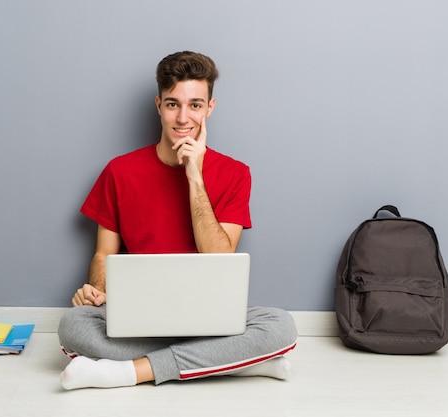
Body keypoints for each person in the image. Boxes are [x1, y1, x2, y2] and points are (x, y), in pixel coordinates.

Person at [58, 51, 298, 390]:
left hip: (208, 319)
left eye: (195, 105)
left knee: (280, 325)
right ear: (158, 105)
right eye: (173, 104)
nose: (183, 117)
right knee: (73, 324)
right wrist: (97, 291)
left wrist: (194, 175)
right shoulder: (119, 171)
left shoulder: (235, 173)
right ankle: (229, 362)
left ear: (210, 108)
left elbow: (218, 259)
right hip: (138, 317)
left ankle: (128, 372)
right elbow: (103, 254)